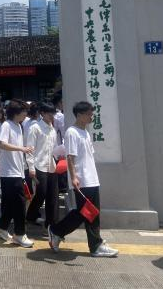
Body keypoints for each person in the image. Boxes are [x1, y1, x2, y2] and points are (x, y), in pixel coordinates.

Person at [48, 101, 118, 257]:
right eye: (89, 114)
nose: (91, 117)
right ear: (79, 115)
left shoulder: (85, 132)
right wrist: (74, 177)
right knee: (85, 212)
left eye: (92, 114)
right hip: (82, 180)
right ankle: (93, 245)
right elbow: (70, 157)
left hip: (92, 178)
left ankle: (58, 232)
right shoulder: (72, 132)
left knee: (90, 212)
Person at [0, 100, 35, 248]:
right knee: (20, 203)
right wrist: (21, 148)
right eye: (24, 111)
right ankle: (19, 234)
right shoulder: (7, 125)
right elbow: (1, 143)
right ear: (16, 113)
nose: (26, 114)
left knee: (11, 203)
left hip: (16, 170)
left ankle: (0, 228)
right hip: (9, 172)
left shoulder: (18, 126)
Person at [26, 102, 59, 236]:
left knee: (53, 196)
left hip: (51, 165)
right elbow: (30, 149)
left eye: (53, 113)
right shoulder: (35, 128)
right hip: (38, 165)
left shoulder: (52, 129)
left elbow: (54, 148)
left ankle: (51, 225)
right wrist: (31, 167)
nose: (52, 116)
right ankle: (30, 215)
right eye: (49, 113)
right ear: (42, 113)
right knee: (42, 193)